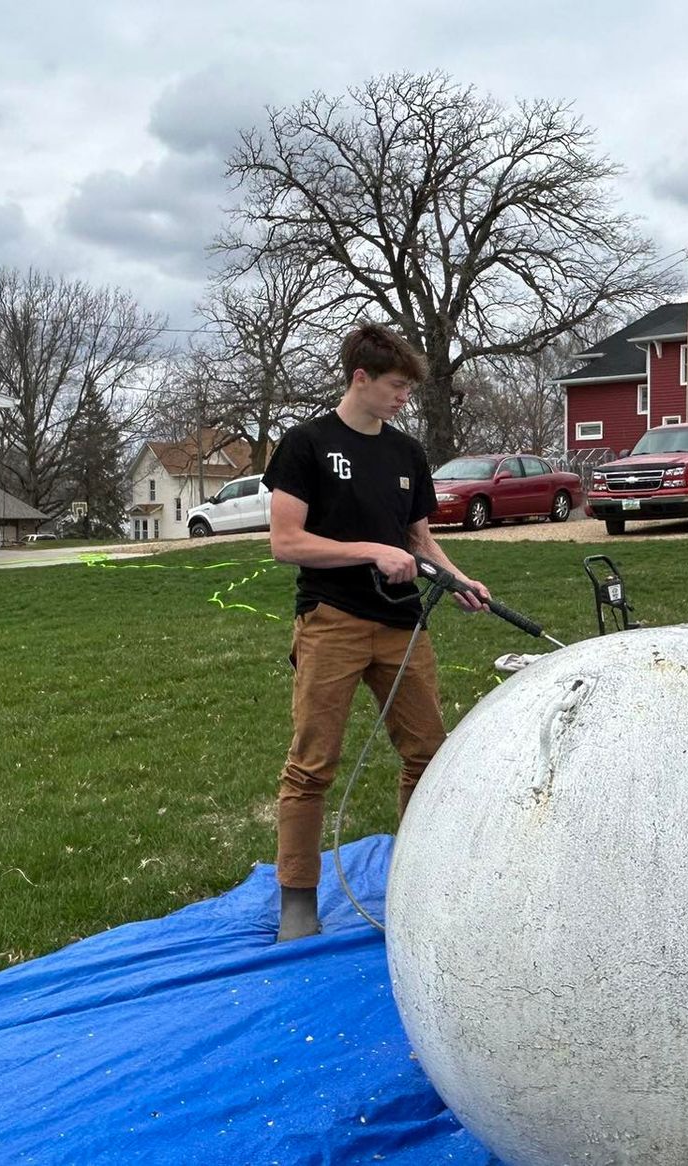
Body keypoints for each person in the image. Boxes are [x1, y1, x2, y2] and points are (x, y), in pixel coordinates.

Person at [262, 323, 489, 942]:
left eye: (407, 391)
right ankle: (298, 904)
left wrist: (460, 578)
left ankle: (415, 882)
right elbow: (286, 543)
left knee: (428, 755)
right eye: (394, 387)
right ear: (360, 378)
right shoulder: (306, 445)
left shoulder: (407, 452)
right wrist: (368, 551)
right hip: (330, 621)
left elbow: (418, 541)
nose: (402, 399)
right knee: (312, 766)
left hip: (402, 626)